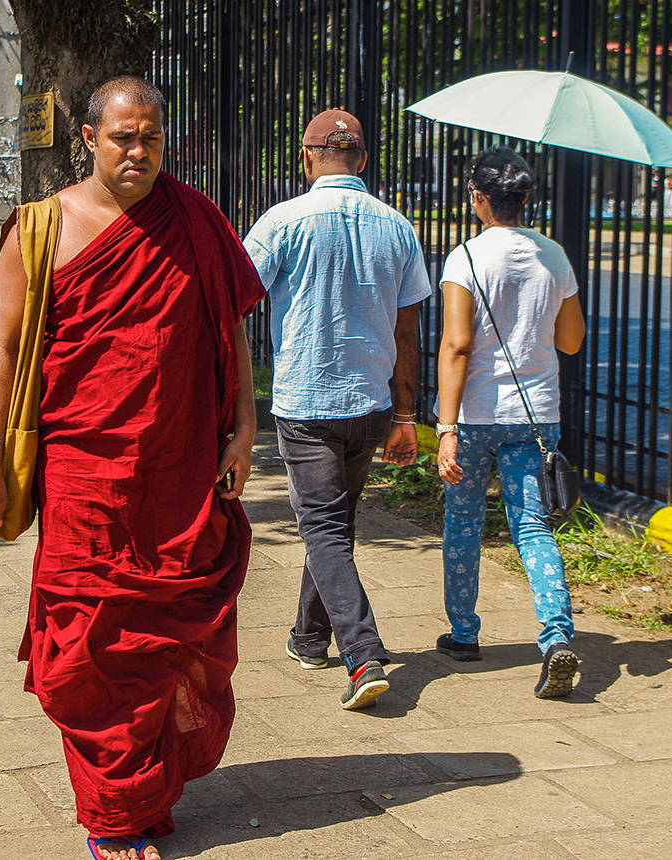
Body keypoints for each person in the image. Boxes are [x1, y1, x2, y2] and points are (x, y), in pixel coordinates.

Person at [0, 77, 264, 860]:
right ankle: (114, 815)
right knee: (85, 652)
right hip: (84, 476)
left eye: (153, 137)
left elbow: (228, 329)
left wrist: (243, 428)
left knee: (168, 643)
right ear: (88, 139)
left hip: (181, 470)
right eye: (124, 137)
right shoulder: (38, 229)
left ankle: (136, 798)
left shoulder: (195, 218)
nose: (139, 152)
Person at [243, 109, 432, 711]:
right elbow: (409, 332)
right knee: (336, 525)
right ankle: (308, 636)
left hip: (304, 401)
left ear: (306, 158)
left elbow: (233, 293)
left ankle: (363, 653)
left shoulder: (282, 222)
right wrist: (405, 415)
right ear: (364, 160)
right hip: (369, 404)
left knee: (324, 527)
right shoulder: (397, 228)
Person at [434, 146, 586, 698]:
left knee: (464, 522)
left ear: (479, 198)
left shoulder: (466, 258)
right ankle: (555, 637)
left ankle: (464, 633)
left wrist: (445, 427)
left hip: (475, 415)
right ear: (526, 198)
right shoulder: (554, 256)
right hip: (537, 416)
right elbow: (570, 340)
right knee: (532, 527)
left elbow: (456, 345)